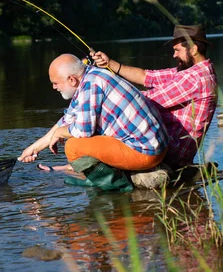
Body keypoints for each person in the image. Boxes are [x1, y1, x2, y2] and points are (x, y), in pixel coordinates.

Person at [38, 25, 217, 172]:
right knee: (105, 117)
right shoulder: (188, 71)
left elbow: (146, 100)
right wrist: (111, 65)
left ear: (193, 49)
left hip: (173, 150)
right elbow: (148, 77)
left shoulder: (196, 78)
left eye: (177, 50)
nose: (174, 55)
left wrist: (106, 93)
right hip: (160, 139)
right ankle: (75, 166)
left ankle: (77, 168)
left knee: (94, 127)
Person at [18, 54, 169, 190]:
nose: (53, 87)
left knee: (73, 146)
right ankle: (115, 175)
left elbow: (82, 131)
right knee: (76, 136)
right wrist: (35, 147)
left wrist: (60, 133)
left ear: (71, 79)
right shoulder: (90, 76)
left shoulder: (90, 86)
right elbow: (67, 120)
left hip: (145, 151)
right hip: (153, 145)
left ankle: (119, 185)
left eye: (56, 83)